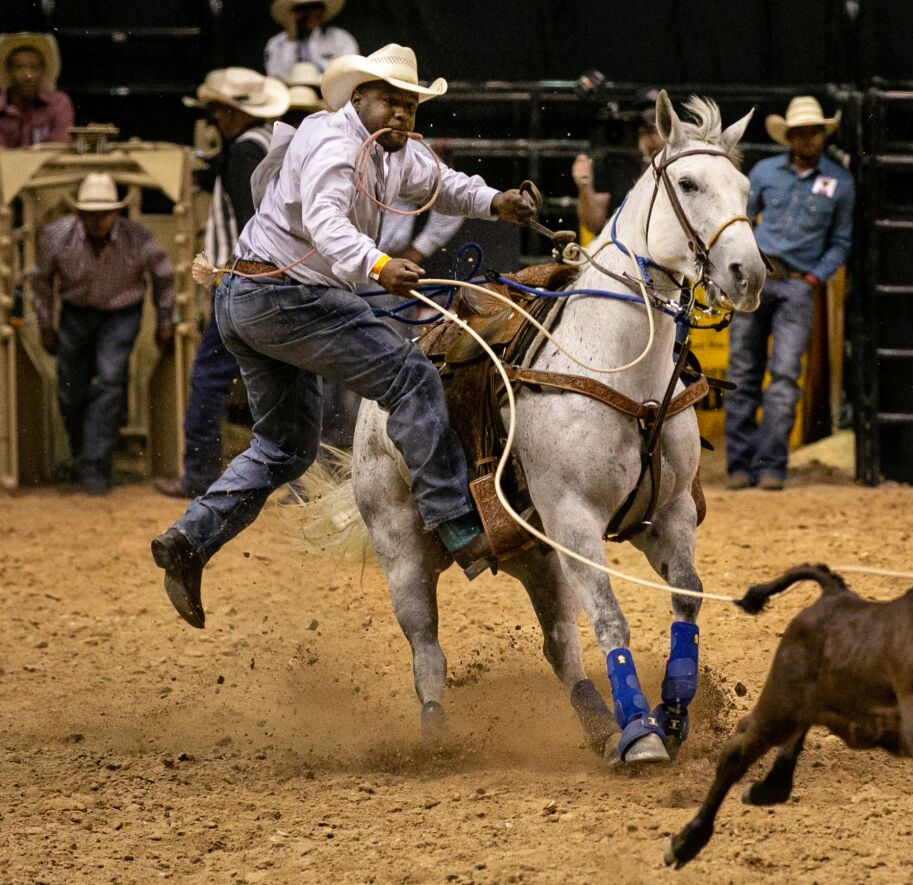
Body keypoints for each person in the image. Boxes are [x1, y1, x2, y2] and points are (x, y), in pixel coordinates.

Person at [150, 44, 537, 629]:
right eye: (391, 101)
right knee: (411, 378)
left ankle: (189, 538)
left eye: (410, 104)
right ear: (359, 98)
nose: (403, 114)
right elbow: (329, 225)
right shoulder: (334, 144)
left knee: (284, 449)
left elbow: (442, 183)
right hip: (285, 297)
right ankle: (455, 520)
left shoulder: (390, 149)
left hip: (249, 298)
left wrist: (495, 202)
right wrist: (380, 267)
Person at [154, 68, 290, 500]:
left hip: (243, 281)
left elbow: (253, 220)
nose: (215, 120)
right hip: (275, 281)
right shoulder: (267, 145)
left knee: (210, 377)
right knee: (291, 376)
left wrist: (231, 274)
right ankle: (302, 478)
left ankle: (199, 473)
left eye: (219, 112)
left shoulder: (244, 153)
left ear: (232, 113)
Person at [724, 96, 854, 491]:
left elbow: (840, 241)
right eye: (800, 132)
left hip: (797, 284)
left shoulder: (841, 183)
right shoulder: (764, 174)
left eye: (812, 132)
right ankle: (741, 465)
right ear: (791, 136)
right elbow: (742, 220)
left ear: (821, 134)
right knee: (744, 372)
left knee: (782, 375)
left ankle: (767, 465)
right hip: (759, 278)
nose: (807, 139)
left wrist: (814, 278)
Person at [30, 174, 174, 494]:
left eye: (105, 213)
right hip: (75, 312)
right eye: (92, 213)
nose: (98, 221)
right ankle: (85, 455)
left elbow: (164, 276)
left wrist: (165, 320)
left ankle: (94, 463)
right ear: (79, 213)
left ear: (116, 213)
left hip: (121, 313)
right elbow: (40, 281)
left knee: (110, 379)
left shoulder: (138, 239)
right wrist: (44, 324)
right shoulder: (57, 236)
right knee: (70, 386)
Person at [572, 106, 665, 237]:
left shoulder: (676, 167)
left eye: (654, 130)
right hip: (620, 246)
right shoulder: (610, 164)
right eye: (643, 131)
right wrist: (585, 186)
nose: (649, 137)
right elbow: (593, 224)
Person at [0, 32, 73, 149]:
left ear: (43, 71)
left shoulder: (58, 104)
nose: (28, 75)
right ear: (9, 72)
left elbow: (59, 147)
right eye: (19, 67)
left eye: (34, 67)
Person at [263, 0, 358, 80]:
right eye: (305, 8)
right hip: (292, 95)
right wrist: (291, 39)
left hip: (331, 93)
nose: (313, 13)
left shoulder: (340, 38)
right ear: (293, 14)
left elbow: (349, 72)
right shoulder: (276, 43)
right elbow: (277, 77)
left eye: (317, 7)